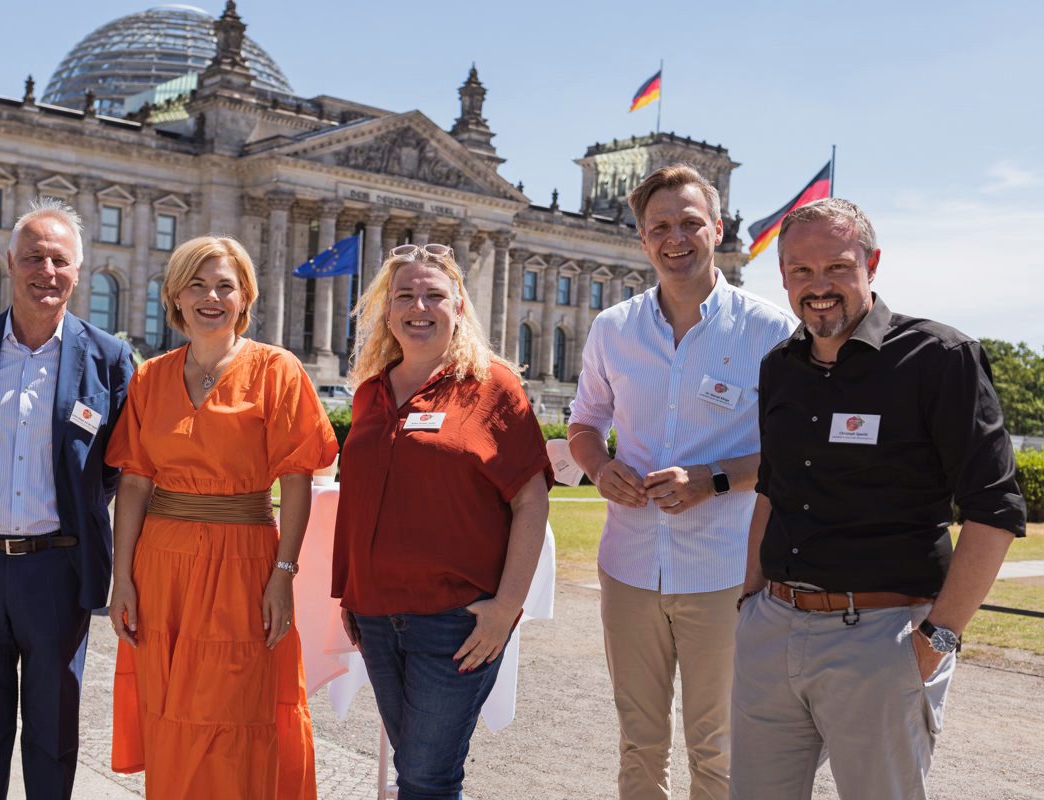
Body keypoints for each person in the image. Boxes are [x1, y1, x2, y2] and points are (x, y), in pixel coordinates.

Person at [730, 198, 1026, 799]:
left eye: (837, 267)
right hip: (772, 630)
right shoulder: (779, 367)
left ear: (873, 264)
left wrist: (937, 638)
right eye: (800, 271)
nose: (819, 287)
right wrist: (749, 602)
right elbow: (771, 491)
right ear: (782, 274)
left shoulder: (939, 359)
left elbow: (994, 512)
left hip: (884, 636)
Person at [567, 165, 795, 800]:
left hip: (723, 570)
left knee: (717, 745)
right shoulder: (613, 328)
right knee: (638, 743)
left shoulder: (769, 331)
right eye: (660, 226)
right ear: (642, 240)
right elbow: (584, 421)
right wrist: (600, 467)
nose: (676, 238)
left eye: (690, 223)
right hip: (629, 567)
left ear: (716, 230)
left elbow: (794, 449)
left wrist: (713, 479)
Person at [105, 235, 337, 799]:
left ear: (245, 298)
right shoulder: (149, 377)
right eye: (197, 284)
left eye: (225, 286)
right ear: (175, 297)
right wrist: (123, 577)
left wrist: (284, 573)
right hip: (162, 565)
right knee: (169, 711)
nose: (211, 296)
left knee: (237, 712)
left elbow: (297, 477)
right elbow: (134, 482)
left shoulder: (277, 369)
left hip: (245, 562)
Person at [0, 198, 134, 800]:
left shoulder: (108, 356)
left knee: (53, 733)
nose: (47, 271)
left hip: (57, 570)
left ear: (79, 271)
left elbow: (112, 466)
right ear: (10, 263)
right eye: (34, 258)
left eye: (60, 260)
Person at [332, 242, 552, 800]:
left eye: (434, 295)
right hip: (378, 615)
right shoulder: (370, 393)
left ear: (458, 308)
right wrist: (351, 595)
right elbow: (358, 498)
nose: (419, 306)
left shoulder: (492, 386)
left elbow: (531, 501)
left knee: (428, 777)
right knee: (416, 769)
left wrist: (505, 610)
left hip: (454, 621)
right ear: (387, 311)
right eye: (405, 295)